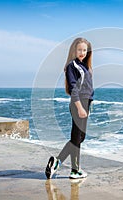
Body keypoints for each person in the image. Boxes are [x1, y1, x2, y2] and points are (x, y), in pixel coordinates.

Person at [45, 37, 94, 179]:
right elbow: (73, 88)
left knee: (79, 137)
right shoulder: (73, 65)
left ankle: (58, 162)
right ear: (74, 50)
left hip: (85, 103)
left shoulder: (84, 65)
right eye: (79, 49)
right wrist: (79, 107)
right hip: (79, 103)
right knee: (76, 137)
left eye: (85, 50)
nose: (82, 52)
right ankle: (74, 170)